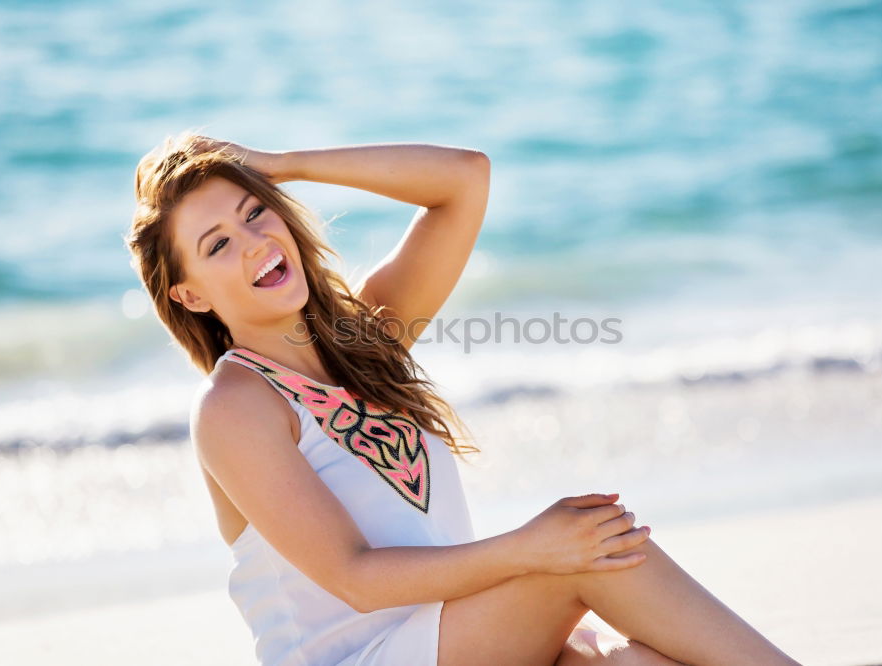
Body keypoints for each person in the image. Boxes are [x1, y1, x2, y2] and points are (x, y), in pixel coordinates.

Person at [125, 130, 802, 666]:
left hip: (453, 640)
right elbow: (355, 577)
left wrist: (284, 163)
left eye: (255, 213)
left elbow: (464, 179)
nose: (255, 244)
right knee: (595, 549)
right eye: (218, 245)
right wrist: (531, 549)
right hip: (366, 659)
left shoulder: (369, 339)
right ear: (190, 295)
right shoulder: (235, 405)